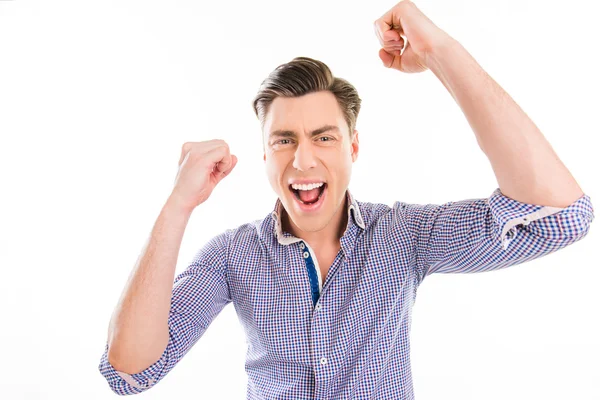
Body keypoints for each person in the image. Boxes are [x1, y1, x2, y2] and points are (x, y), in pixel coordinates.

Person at [98, 1, 594, 398]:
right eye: (283, 140)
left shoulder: (402, 237)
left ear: (354, 146)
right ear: (265, 154)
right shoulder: (233, 256)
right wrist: (178, 204)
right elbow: (131, 373)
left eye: (324, 137)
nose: (304, 162)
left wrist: (440, 50)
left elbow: (560, 217)